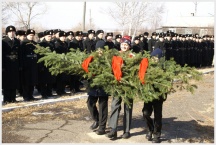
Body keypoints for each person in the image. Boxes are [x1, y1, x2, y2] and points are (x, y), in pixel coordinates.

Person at [106, 36, 134, 139]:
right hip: (117, 85)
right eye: (123, 44)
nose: (124, 46)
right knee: (115, 105)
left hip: (129, 86)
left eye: (126, 44)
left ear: (129, 46)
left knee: (128, 107)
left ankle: (127, 130)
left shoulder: (133, 56)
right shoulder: (115, 56)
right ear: (120, 45)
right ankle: (113, 129)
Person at [142, 48, 166, 143]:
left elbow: (167, 83)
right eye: (153, 57)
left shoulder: (163, 68)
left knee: (158, 115)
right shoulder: (147, 67)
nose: (154, 59)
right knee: (145, 113)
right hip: (148, 94)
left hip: (159, 95)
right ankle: (150, 129)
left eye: (157, 57)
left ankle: (157, 135)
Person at [85, 41, 109, 135]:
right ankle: (96, 119)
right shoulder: (92, 58)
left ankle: (102, 127)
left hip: (104, 85)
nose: (100, 51)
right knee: (90, 103)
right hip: (93, 85)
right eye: (98, 49)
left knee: (103, 106)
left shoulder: (108, 59)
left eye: (102, 49)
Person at [2, 25, 21, 103]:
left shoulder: (17, 41)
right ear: (7, 33)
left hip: (15, 64)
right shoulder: (3, 41)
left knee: (14, 81)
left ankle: (13, 98)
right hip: (7, 64)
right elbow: (2, 55)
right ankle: (6, 99)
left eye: (13, 32)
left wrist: (20, 65)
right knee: (6, 82)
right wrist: (2, 66)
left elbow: (19, 54)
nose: (12, 33)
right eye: (10, 32)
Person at [20, 29, 38, 101]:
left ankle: (31, 95)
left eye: (33, 35)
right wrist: (21, 65)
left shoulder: (35, 43)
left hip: (33, 64)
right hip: (26, 65)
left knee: (32, 80)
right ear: (27, 35)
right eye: (30, 35)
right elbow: (21, 55)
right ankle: (26, 96)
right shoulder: (23, 43)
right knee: (26, 81)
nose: (31, 36)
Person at [38, 30, 56, 98]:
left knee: (50, 79)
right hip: (44, 64)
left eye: (51, 36)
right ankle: (43, 93)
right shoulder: (41, 44)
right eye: (48, 36)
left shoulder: (52, 43)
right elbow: (40, 56)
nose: (50, 37)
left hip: (51, 64)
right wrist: (41, 66)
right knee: (43, 80)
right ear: (45, 36)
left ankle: (49, 92)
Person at [54, 31, 68, 96]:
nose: (64, 38)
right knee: (59, 78)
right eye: (62, 37)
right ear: (59, 37)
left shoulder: (65, 43)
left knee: (64, 77)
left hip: (65, 62)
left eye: (65, 37)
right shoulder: (57, 43)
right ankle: (59, 90)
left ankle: (63, 90)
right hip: (59, 62)